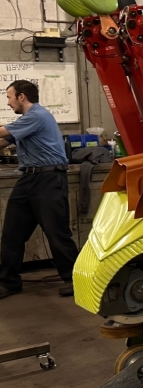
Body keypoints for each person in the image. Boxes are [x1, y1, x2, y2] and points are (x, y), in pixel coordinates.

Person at [0, 80, 78, 299]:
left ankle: (73, 279)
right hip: (28, 179)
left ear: (22, 97)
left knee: (57, 233)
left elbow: (2, 132)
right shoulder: (26, 122)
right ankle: (9, 283)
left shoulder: (37, 116)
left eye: (9, 97)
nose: (8, 103)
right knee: (12, 234)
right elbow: (4, 141)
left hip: (49, 179)